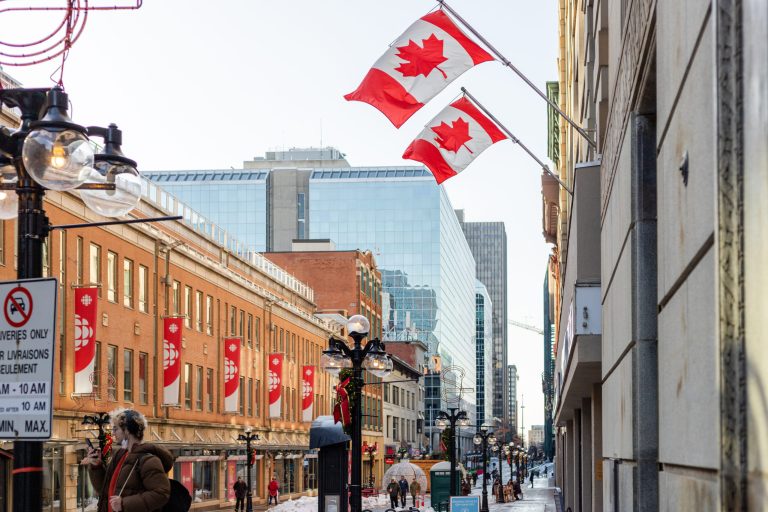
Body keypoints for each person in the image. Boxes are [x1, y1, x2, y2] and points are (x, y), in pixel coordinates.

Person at [80, 408, 173, 512]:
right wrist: (96, 466)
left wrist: (124, 503)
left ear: (127, 431)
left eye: (116, 429)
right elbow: (104, 490)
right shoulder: (120, 455)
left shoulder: (149, 460)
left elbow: (161, 494)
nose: (113, 433)